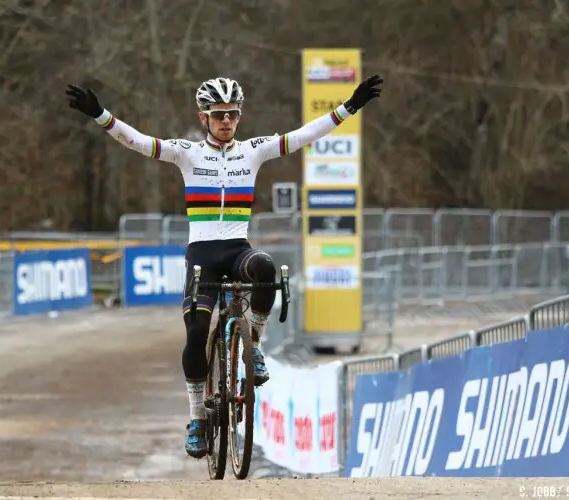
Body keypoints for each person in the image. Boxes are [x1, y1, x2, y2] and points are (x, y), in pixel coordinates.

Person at [65, 74, 383, 459]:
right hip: (203, 255)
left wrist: (350, 106)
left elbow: (302, 136)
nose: (227, 121)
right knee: (197, 330)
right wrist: (100, 115)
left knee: (265, 267)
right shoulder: (186, 153)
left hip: (236, 249)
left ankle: (254, 344)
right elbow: (140, 142)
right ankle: (197, 418)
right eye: (219, 115)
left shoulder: (253, 150)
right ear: (204, 118)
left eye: (233, 114)